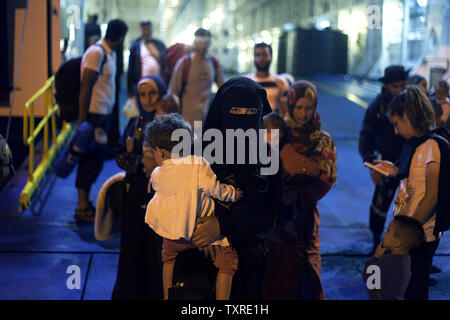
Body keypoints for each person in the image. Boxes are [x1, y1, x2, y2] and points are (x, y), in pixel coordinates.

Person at [189, 77, 282, 299]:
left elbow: (268, 217)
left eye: (251, 112)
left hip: (247, 263)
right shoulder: (197, 151)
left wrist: (222, 226)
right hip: (197, 260)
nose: (243, 118)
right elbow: (179, 199)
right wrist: (198, 229)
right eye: (235, 110)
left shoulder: (267, 157)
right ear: (221, 111)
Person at [143, 115, 243, 300]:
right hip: (200, 232)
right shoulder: (197, 164)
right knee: (227, 261)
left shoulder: (156, 173)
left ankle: (167, 295)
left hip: (173, 237)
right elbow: (215, 190)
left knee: (168, 258)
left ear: (161, 153)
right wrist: (234, 193)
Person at [373, 85, 450, 300]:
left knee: (415, 288)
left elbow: (431, 196)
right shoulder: (416, 145)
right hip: (411, 231)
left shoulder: (431, 146)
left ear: (407, 115)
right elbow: (416, 178)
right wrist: (395, 170)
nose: (396, 131)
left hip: (420, 234)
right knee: (405, 287)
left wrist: (404, 233)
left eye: (397, 124)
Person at [263, 80, 337, 300]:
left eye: (309, 108)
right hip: (276, 217)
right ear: (291, 106)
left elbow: (327, 178)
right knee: (276, 274)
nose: (304, 114)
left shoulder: (323, 141)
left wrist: (299, 192)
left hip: (304, 217)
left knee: (308, 270)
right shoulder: (277, 130)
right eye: (299, 108)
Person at [112, 75, 167, 299]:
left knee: (155, 250)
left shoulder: (168, 124)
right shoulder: (133, 123)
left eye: (152, 93)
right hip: (133, 195)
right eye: (143, 94)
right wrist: (142, 164)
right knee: (131, 247)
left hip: (160, 195)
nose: (147, 98)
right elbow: (117, 153)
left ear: (161, 93)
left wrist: (138, 162)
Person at [75, 19, 128, 222]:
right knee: (88, 160)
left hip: (104, 115)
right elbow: (85, 88)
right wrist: (82, 121)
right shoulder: (96, 53)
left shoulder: (109, 53)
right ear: (121, 37)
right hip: (94, 115)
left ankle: (84, 202)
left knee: (96, 161)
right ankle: (81, 206)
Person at [359, 65, 408, 253]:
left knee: (409, 207)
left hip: (408, 162)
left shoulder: (410, 104)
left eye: (403, 85)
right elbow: (366, 136)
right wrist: (372, 164)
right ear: (387, 85)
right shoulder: (377, 107)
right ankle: (376, 243)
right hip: (384, 163)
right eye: (395, 86)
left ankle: (408, 249)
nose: (399, 90)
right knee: (380, 204)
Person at [168, 28, 224, 126]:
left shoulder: (213, 63)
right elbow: (173, 91)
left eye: (206, 42)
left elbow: (223, 87)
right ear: (194, 42)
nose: (202, 46)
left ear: (209, 43)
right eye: (200, 42)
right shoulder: (184, 63)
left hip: (206, 120)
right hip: (185, 120)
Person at [363, 215, 424, 300]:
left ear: (397, 243)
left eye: (388, 231)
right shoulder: (405, 259)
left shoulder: (386, 262)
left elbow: (368, 279)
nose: (384, 233)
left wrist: (375, 257)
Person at [246, 43, 289, 116]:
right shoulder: (247, 81)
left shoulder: (280, 82)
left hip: (274, 124)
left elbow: (285, 110)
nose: (261, 59)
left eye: (264, 55)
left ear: (271, 57)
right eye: (258, 55)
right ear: (254, 57)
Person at [128, 20, 167, 100]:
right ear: (141, 30)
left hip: (158, 83)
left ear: (152, 30)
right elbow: (131, 68)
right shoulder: (135, 46)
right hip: (141, 83)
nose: (146, 32)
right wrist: (130, 90)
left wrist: (156, 54)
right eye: (144, 29)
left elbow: (165, 62)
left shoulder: (159, 44)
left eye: (148, 29)